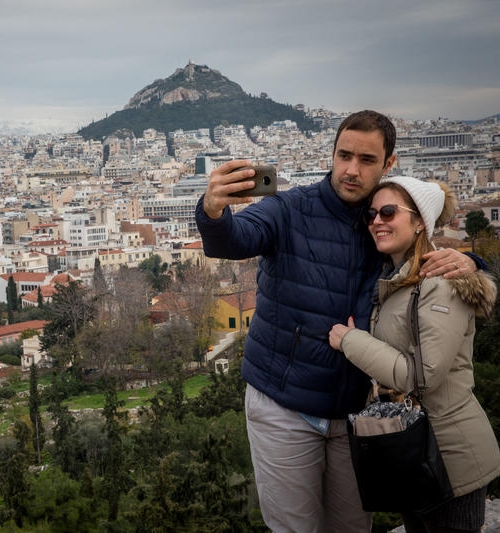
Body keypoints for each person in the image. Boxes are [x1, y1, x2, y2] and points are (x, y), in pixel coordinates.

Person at [195, 109, 480, 532]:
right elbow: (237, 239)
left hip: (357, 413)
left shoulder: (385, 221)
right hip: (283, 405)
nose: (351, 170)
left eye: (366, 161)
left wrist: (472, 262)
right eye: (344, 155)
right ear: (331, 154)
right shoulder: (290, 209)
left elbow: (427, 258)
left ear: (388, 164)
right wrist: (213, 211)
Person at [329, 177, 500, 533]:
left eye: (389, 211)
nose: (377, 221)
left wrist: (350, 341)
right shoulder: (396, 281)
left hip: (452, 462)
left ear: (420, 220)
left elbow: (422, 376)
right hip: (413, 454)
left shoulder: (438, 284)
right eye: (372, 214)